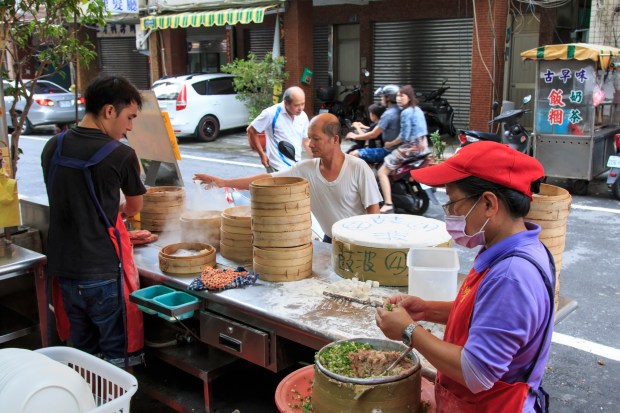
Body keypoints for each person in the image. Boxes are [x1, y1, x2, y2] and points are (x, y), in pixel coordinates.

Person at [375, 141, 555, 412]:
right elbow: (486, 314)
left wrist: (409, 331)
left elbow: (476, 371)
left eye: (453, 202)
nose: (449, 213)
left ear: (488, 204)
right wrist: (426, 310)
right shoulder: (514, 246)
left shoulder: (511, 276)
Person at [41, 75, 146, 367]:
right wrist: (118, 212)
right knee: (115, 358)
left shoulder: (53, 146)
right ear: (109, 111)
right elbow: (135, 206)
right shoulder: (121, 154)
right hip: (102, 272)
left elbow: (65, 196)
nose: (130, 127)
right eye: (129, 117)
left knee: (83, 355)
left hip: (64, 270)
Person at [195, 113, 382, 243]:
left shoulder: (358, 168)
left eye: (316, 139)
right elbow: (267, 179)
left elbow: (374, 211)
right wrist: (223, 182)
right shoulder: (306, 169)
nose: (310, 144)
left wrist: (367, 243)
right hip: (330, 241)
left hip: (358, 241)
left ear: (335, 139)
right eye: (308, 138)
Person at [377, 85, 429, 213]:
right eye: (398, 96)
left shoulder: (405, 112)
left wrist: (390, 143)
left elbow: (404, 136)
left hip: (411, 148)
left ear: (409, 97)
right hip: (423, 147)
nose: (399, 98)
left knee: (382, 172)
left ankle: (388, 203)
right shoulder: (418, 110)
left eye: (402, 96)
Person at [247, 86, 310, 172]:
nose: (301, 108)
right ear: (286, 103)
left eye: (303, 104)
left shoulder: (303, 116)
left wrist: (318, 160)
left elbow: (306, 141)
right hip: (277, 167)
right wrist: (262, 154)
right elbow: (251, 130)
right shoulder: (271, 113)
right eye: (296, 105)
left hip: (296, 166)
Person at [346, 84, 401, 164]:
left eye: (382, 96)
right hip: (397, 149)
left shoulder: (388, 114)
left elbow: (373, 134)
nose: (381, 99)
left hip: (388, 151)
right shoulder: (399, 110)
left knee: (353, 154)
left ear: (388, 98)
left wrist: (354, 136)